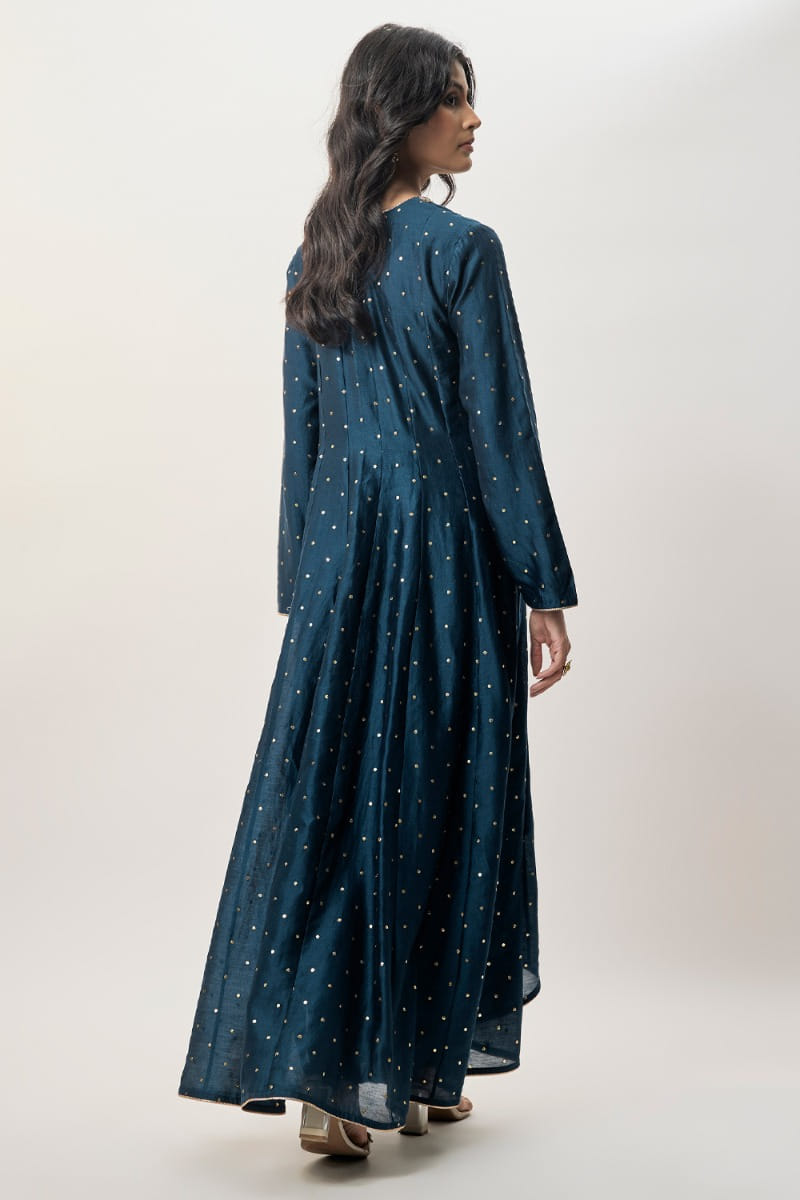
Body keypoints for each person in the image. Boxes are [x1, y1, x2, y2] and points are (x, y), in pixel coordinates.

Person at [178, 23, 577, 1161]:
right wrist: (543, 587)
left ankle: (370, 1075)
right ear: (399, 115)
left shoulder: (315, 257)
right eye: (452, 97)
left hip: (341, 566)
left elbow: (302, 441)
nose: (473, 117)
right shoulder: (463, 249)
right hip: (445, 556)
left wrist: (305, 592)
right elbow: (498, 431)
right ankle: (391, 1074)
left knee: (336, 803)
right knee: (440, 792)